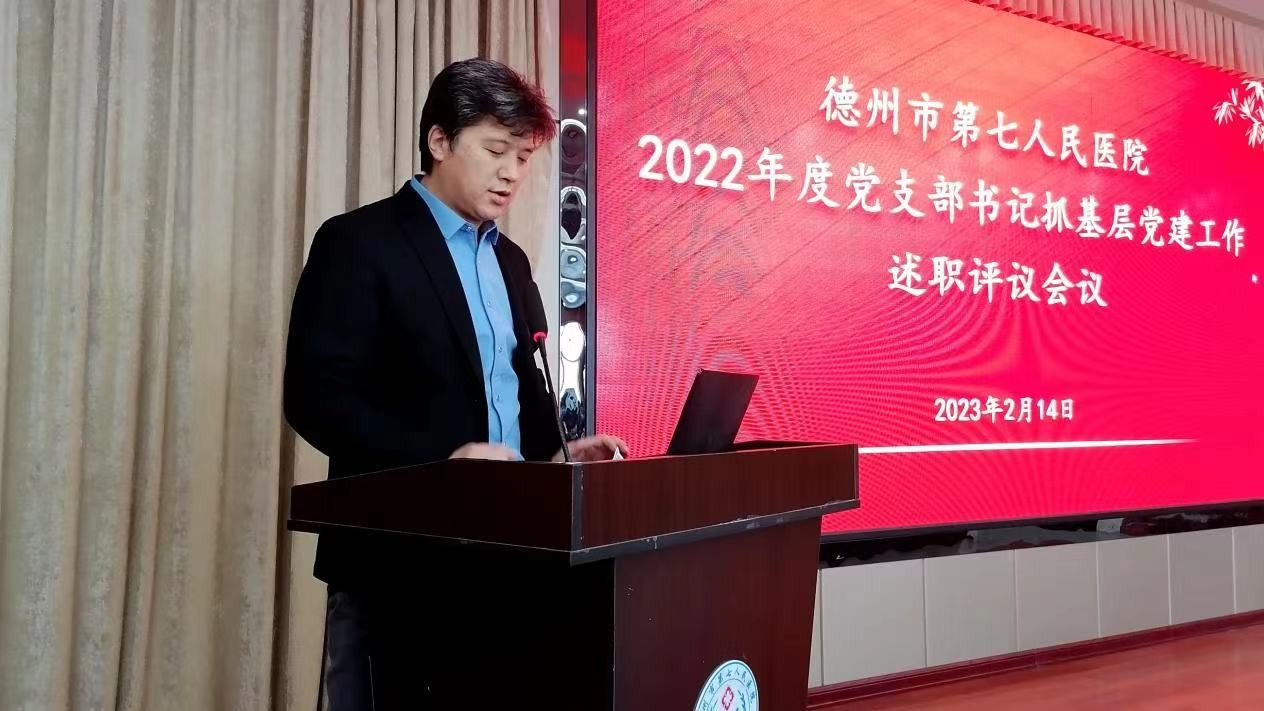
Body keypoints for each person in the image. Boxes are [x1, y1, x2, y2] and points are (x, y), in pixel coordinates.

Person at [283, 57, 627, 710]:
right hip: (394, 566)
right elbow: (316, 397)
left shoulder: (510, 260)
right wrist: (442, 463)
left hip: (507, 561)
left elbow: (519, 391)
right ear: (439, 141)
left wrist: (556, 455)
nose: (511, 173)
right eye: (496, 151)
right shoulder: (359, 242)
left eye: (522, 157)